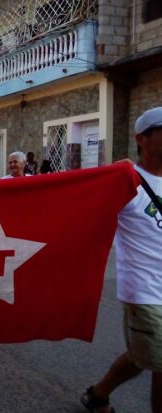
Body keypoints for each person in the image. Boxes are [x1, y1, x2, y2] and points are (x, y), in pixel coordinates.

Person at [81, 107, 162, 413]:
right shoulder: (125, 178)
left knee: (143, 357)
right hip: (145, 292)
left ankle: (99, 394)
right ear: (142, 138)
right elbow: (80, 212)